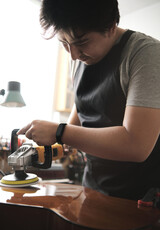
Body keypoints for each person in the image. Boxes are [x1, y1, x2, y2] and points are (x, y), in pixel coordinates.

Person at [18, 0, 160, 200]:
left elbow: (136, 145)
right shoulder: (80, 56)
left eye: (81, 42)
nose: (73, 54)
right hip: (93, 188)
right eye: (64, 43)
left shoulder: (146, 54)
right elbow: (83, 109)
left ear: (111, 26)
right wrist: (53, 143)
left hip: (140, 197)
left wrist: (60, 131)